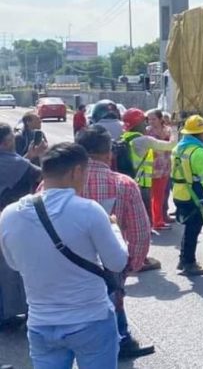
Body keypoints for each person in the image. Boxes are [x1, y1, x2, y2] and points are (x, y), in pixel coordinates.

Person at [0, 143, 128, 369]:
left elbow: (14, 263)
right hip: (91, 319)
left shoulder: (9, 215)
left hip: (41, 323)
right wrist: (116, 229)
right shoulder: (89, 210)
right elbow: (116, 262)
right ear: (76, 171)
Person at [75, 126, 154, 360]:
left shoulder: (58, 181)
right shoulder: (124, 184)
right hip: (110, 265)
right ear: (109, 152)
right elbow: (141, 233)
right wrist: (130, 266)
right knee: (111, 302)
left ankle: (118, 339)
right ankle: (119, 341)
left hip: (66, 265)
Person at [0, 122, 45, 329]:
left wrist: (29, 155)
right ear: (8, 141)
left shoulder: (15, 161)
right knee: (17, 269)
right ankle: (22, 313)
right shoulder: (15, 163)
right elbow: (43, 175)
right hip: (12, 222)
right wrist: (41, 155)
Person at [171, 115, 203, 276]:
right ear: (200, 134)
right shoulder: (199, 152)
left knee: (188, 229)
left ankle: (183, 259)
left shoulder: (178, 148)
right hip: (194, 195)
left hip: (180, 193)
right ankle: (189, 263)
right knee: (193, 229)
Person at [120, 108, 175, 233]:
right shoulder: (144, 140)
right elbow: (170, 146)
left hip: (130, 177)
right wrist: (174, 132)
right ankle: (148, 228)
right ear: (139, 124)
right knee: (146, 204)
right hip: (143, 179)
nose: (147, 123)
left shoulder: (124, 137)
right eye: (145, 121)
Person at [146, 109, 175, 228]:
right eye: (149, 119)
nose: (151, 121)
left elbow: (173, 144)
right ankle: (155, 221)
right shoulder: (147, 131)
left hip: (164, 167)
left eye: (153, 119)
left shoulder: (168, 130)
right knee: (151, 196)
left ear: (160, 119)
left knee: (160, 195)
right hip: (150, 168)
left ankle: (158, 220)